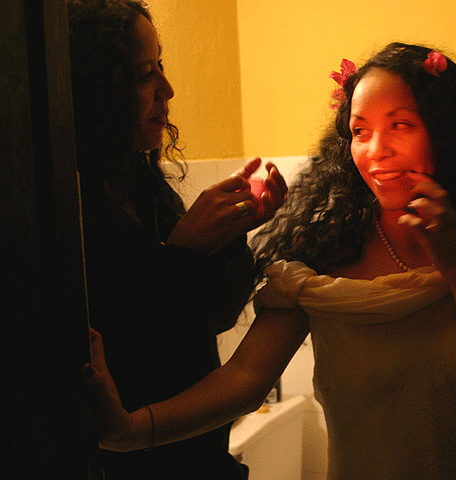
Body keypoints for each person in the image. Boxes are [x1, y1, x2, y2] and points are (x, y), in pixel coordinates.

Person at [85, 43, 456, 480]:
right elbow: (245, 378)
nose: (376, 150)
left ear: (447, 132)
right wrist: (130, 430)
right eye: (359, 131)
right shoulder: (326, 248)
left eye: (401, 125)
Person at [67, 0, 287, 478]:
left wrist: (229, 235)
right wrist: (183, 253)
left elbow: (213, 318)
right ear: (98, 89)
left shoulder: (142, 186)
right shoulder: (67, 208)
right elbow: (129, 349)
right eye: (144, 74)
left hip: (199, 459)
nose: (167, 89)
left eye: (161, 65)